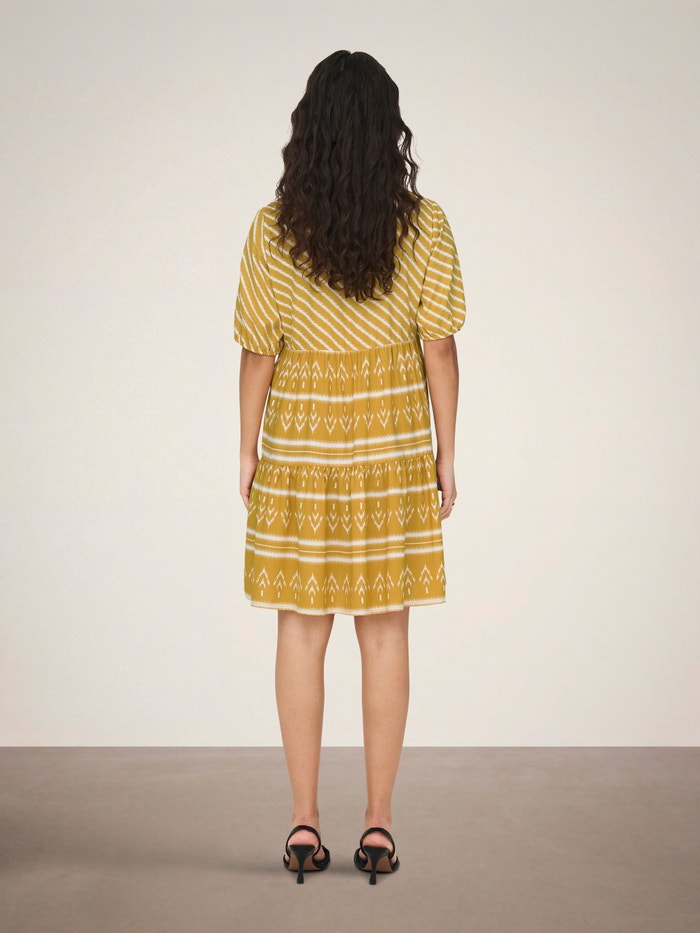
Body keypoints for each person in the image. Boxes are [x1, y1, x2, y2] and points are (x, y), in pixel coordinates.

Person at [234, 49, 465, 885]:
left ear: (310, 132)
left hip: (303, 445)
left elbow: (258, 352)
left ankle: (303, 822)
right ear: (387, 131)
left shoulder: (273, 229)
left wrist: (248, 445)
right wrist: (446, 451)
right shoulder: (425, 225)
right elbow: (439, 348)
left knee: (301, 626)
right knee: (385, 629)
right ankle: (378, 825)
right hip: (389, 445)